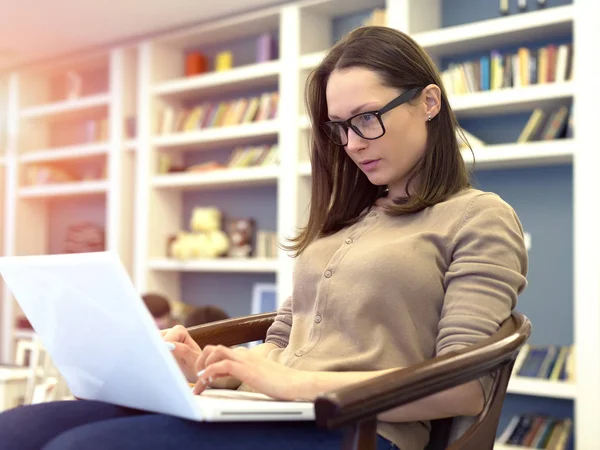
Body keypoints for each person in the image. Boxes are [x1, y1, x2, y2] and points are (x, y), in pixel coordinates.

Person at [0, 26, 527, 450]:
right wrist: (215, 369)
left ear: (428, 102)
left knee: (84, 445)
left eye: (367, 119)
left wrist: (297, 386)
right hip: (270, 410)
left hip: (357, 431)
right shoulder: (344, 220)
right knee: (18, 429)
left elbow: (462, 387)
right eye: (338, 127)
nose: (352, 144)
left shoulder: (477, 217)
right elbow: (283, 346)